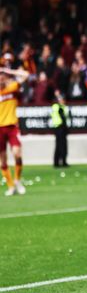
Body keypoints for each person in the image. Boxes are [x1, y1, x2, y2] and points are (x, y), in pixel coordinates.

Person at [0, 67, 29, 196]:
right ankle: (10, 186)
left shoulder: (12, 87)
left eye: (2, 75)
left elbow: (26, 75)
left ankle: (17, 180)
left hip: (12, 126)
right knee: (3, 159)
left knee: (17, 154)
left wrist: (9, 70)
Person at [51, 89, 70, 167]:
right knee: (60, 145)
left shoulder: (63, 107)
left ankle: (62, 161)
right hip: (59, 127)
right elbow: (62, 116)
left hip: (63, 128)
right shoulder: (57, 107)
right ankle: (58, 162)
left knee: (63, 145)